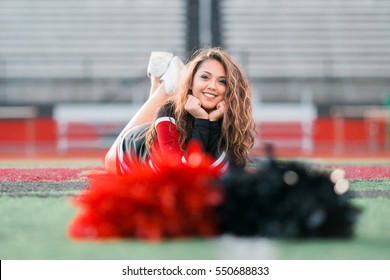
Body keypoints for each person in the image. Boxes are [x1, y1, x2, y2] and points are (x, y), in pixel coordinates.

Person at [104, 47, 256, 175]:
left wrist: (213, 121)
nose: (212, 86)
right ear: (190, 82)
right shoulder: (168, 112)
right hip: (131, 149)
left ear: (229, 89)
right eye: (205, 77)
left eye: (222, 81)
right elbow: (183, 174)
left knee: (157, 125)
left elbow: (218, 169)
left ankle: (159, 78)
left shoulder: (228, 119)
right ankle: (162, 86)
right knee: (108, 161)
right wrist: (202, 120)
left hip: (159, 137)